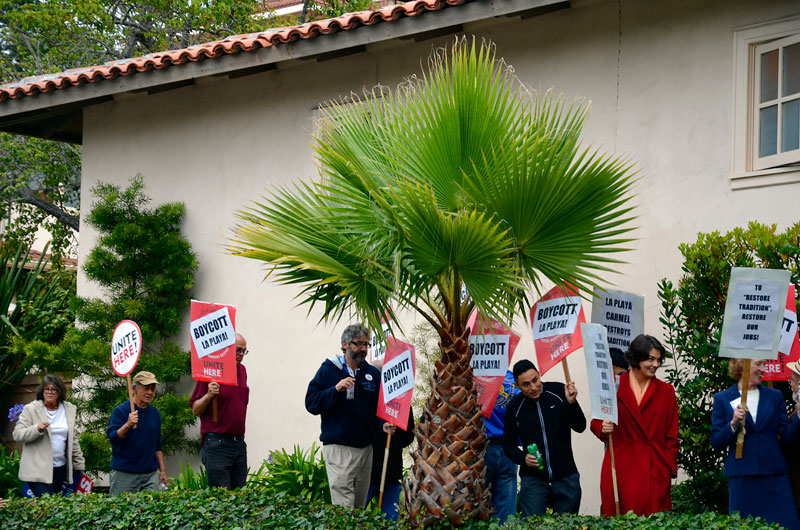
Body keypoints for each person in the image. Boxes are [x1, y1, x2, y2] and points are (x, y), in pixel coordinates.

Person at [305, 323, 393, 508]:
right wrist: (335, 389)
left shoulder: (371, 374)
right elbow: (311, 403)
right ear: (345, 344)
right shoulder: (329, 370)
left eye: (366, 344)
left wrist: (382, 425)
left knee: (359, 508)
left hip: (365, 450)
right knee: (344, 507)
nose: (363, 349)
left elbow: (376, 409)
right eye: (358, 344)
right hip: (339, 449)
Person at [590, 334, 678, 516]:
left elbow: (672, 436)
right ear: (636, 358)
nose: (656, 365)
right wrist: (602, 427)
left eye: (659, 360)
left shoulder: (666, 391)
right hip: (620, 468)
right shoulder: (613, 386)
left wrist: (666, 468)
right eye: (650, 359)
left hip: (654, 472)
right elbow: (595, 421)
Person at [711, 358, 800, 530]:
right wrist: (733, 423)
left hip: (774, 476)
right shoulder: (722, 398)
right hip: (742, 478)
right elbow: (716, 442)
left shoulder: (775, 396)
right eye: (758, 364)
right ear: (742, 364)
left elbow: (787, 438)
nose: (763, 369)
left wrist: (798, 416)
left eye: (764, 364)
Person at [502, 359, 585, 517]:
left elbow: (580, 426)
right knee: (532, 525)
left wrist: (572, 403)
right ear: (517, 386)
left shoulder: (559, 391)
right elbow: (508, 444)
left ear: (539, 375)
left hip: (566, 476)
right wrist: (523, 458)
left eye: (535, 380)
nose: (533, 387)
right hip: (534, 480)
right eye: (526, 384)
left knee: (567, 526)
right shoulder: (514, 407)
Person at [190, 333, 250, 489]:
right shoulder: (211, 371)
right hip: (217, 443)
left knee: (240, 499)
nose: (241, 354)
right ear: (226, 349)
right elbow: (195, 409)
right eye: (238, 350)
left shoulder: (242, 371)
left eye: (244, 351)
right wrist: (209, 396)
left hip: (239, 444)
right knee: (223, 499)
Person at [13, 374, 85, 496]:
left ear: (60, 391)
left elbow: (72, 439)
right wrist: (37, 429)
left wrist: (79, 463)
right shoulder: (31, 409)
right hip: (37, 471)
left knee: (54, 507)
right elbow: (17, 434)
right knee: (48, 503)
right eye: (47, 389)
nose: (50, 392)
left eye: (54, 389)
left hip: (60, 469)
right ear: (42, 391)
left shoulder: (69, 409)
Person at [107, 371, 168, 494]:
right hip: (125, 474)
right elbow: (113, 438)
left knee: (152, 511)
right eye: (146, 388)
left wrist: (163, 472)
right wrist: (127, 424)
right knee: (121, 510)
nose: (150, 392)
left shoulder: (155, 414)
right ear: (134, 389)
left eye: (153, 389)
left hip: (150, 475)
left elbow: (157, 445)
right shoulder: (120, 411)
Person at [484, 370, 520, 524]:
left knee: (473, 506)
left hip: (481, 449)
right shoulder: (512, 379)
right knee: (505, 517)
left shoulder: (475, 376)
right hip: (509, 450)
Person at [365, 411, 415, 520]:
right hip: (369, 470)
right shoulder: (373, 396)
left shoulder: (403, 403)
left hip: (392, 470)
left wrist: (398, 428)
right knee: (356, 510)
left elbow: (407, 438)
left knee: (390, 518)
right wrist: (381, 427)